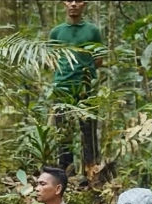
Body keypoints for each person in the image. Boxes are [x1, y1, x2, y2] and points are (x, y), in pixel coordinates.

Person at [49, 0, 104, 175]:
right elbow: (51, 59)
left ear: (85, 4)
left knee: (88, 133)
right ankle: (66, 174)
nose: (73, 4)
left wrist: (84, 74)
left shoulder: (93, 31)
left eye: (78, 1)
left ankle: (91, 173)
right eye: (70, 1)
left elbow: (99, 59)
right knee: (64, 134)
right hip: (62, 88)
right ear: (64, 4)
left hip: (86, 89)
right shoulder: (56, 32)